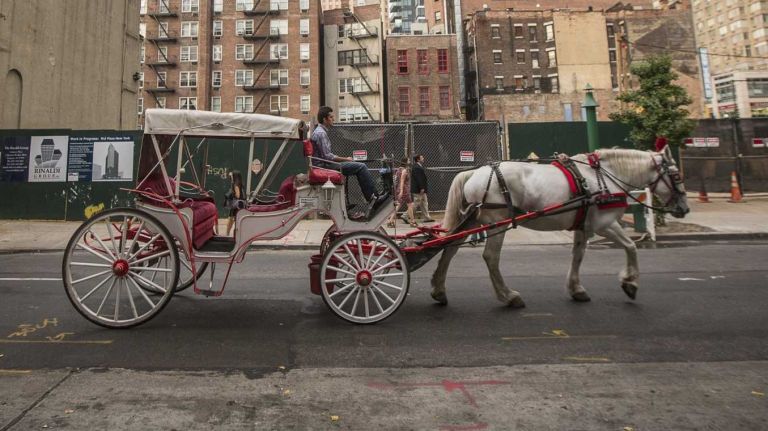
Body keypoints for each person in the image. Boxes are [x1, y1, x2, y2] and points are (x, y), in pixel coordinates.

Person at [311, 106, 387, 207]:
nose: (333, 119)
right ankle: (373, 198)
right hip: (325, 166)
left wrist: (343, 159)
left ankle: (349, 203)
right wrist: (346, 159)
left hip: (325, 164)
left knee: (357, 165)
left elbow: (327, 155)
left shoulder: (320, 132)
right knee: (361, 166)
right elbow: (328, 157)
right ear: (324, 119)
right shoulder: (321, 133)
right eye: (331, 117)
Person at [386, 157, 416, 228]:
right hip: (404, 190)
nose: (409, 161)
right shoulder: (404, 170)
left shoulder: (398, 170)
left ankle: (391, 220)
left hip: (399, 189)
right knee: (407, 205)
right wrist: (402, 191)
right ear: (405, 162)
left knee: (405, 205)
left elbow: (397, 180)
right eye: (408, 160)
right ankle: (412, 221)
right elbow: (402, 181)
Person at [411, 154, 434, 223]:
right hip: (419, 189)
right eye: (422, 157)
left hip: (421, 189)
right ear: (418, 159)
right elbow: (419, 179)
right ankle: (406, 215)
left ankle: (427, 217)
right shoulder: (417, 167)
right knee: (416, 203)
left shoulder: (418, 166)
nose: (423, 158)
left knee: (424, 203)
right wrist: (422, 188)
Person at [224, 170, 244, 236]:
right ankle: (235, 233)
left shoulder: (235, 185)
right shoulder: (240, 183)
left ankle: (227, 233)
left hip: (236, 204)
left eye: (232, 176)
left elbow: (237, 195)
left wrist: (231, 194)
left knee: (230, 219)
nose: (231, 177)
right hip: (240, 204)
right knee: (236, 219)